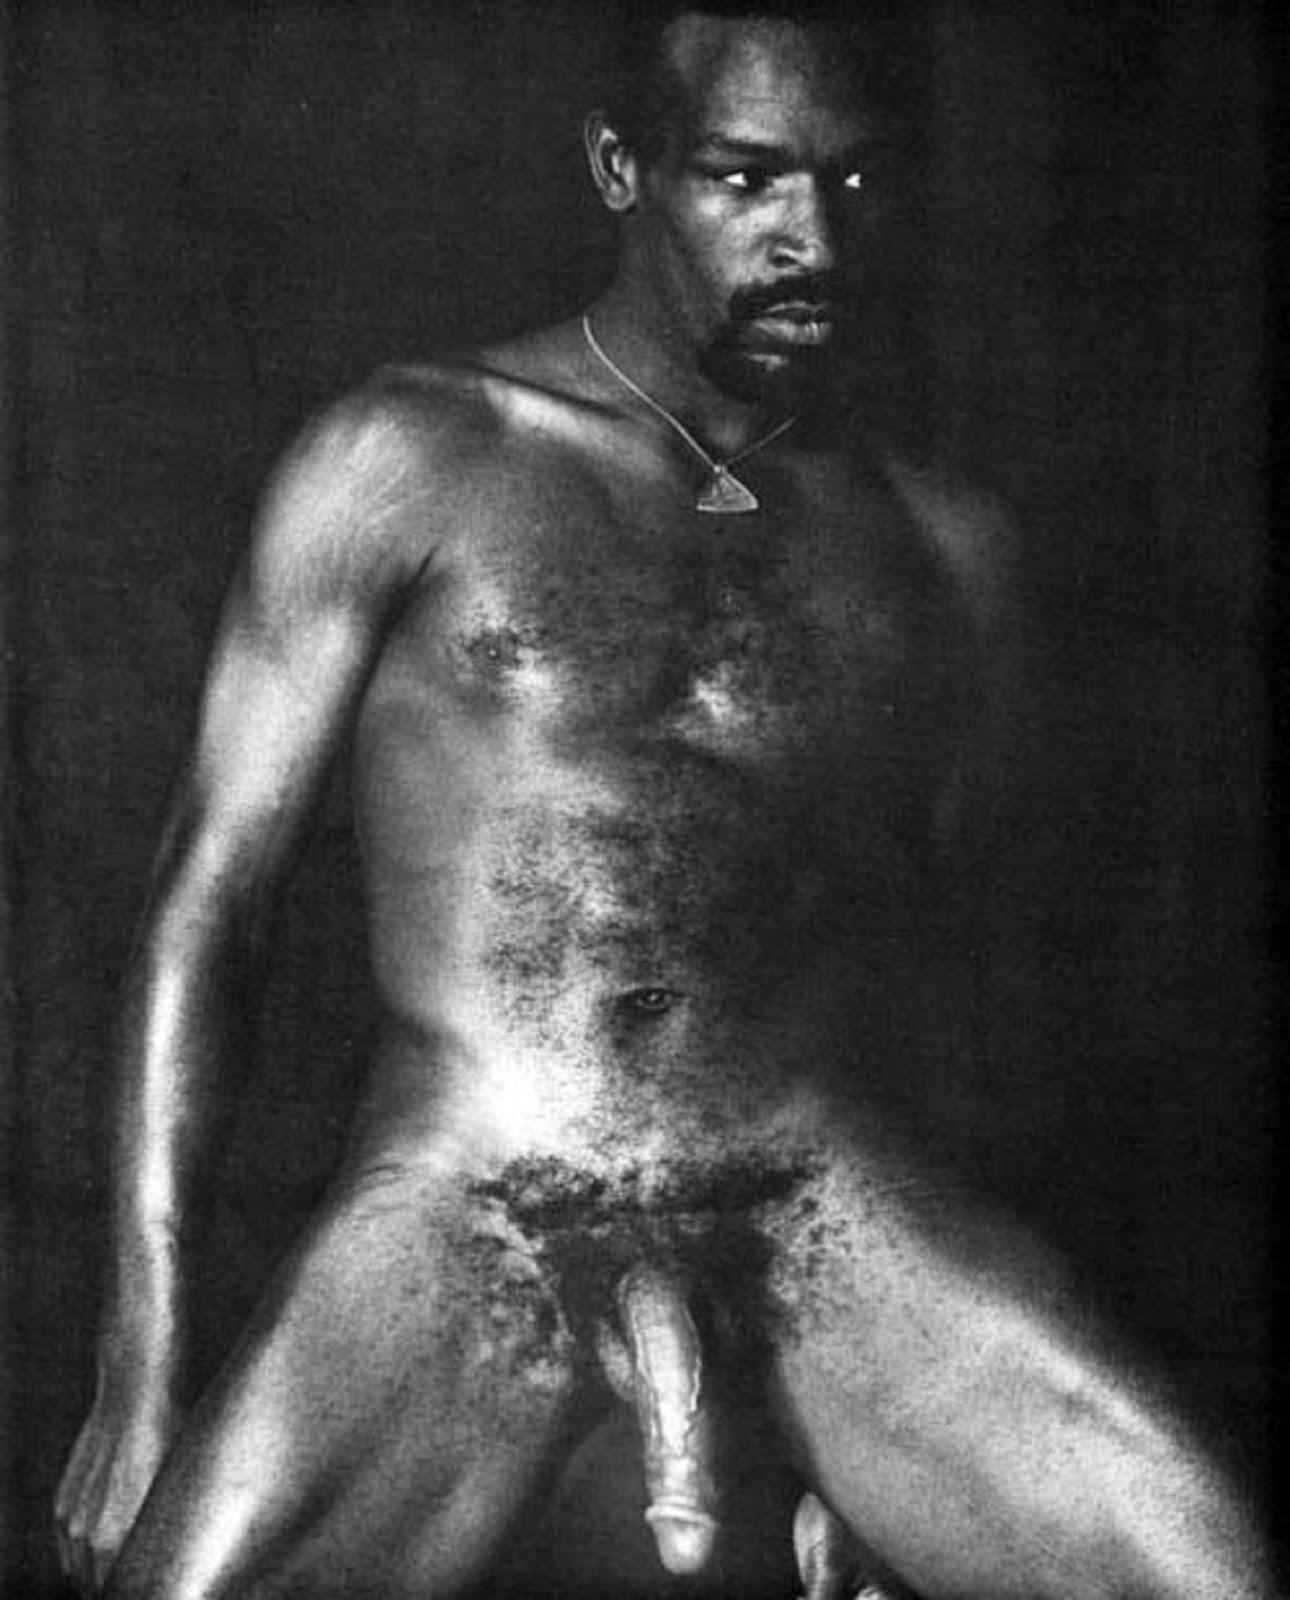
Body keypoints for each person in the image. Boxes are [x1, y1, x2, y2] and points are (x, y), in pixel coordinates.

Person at [55, 3, 1274, 1598]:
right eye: (745, 179)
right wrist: (139, 1367)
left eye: (847, 183)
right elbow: (210, 896)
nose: (808, 240)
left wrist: (870, 1451)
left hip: (812, 1205)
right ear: (621, 167)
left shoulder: (943, 546)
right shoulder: (410, 453)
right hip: (469, 1201)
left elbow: (936, 978)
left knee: (1206, 1573)